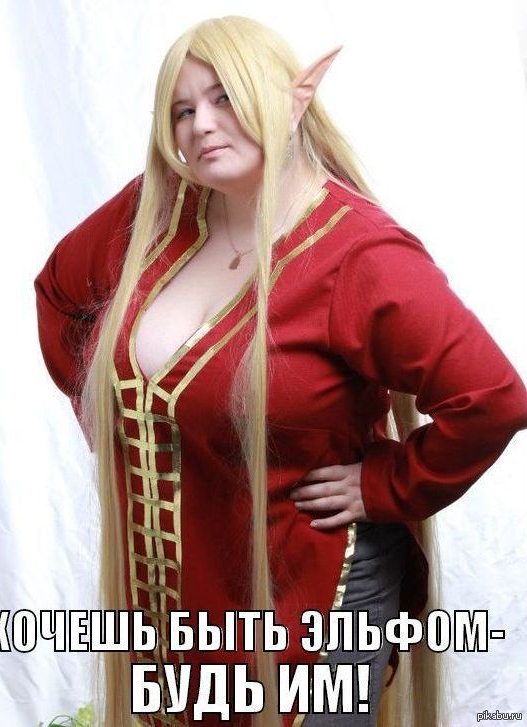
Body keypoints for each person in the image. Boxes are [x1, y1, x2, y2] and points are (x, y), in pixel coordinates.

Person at [33, 15, 527, 727]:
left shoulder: (362, 256)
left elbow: (493, 399)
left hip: (313, 590)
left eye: (226, 98)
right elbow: (59, 297)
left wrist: (385, 484)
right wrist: (124, 430)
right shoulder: (157, 210)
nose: (202, 124)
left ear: (293, 100)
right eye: (183, 109)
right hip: (186, 590)